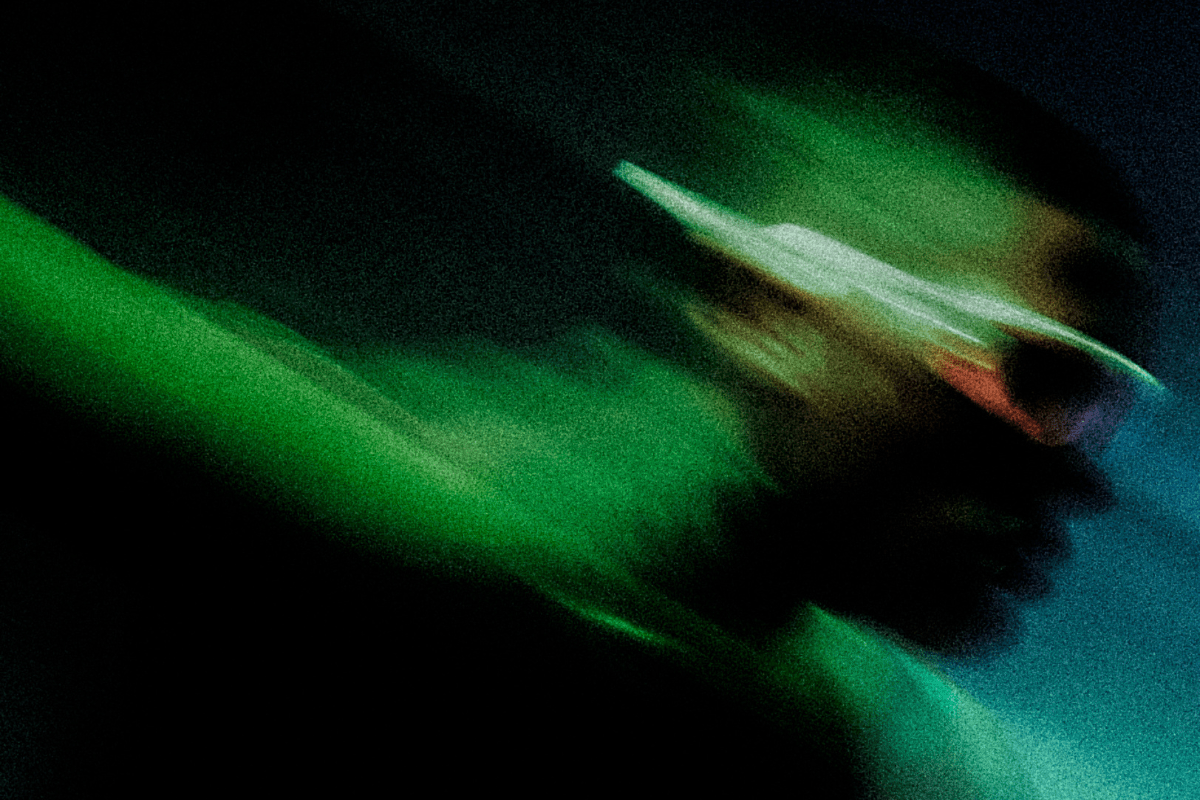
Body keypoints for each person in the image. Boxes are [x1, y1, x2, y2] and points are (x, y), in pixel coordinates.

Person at [0, 4, 1162, 797]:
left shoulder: (864, 716)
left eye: (1109, 410)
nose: (1079, 472)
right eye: (1041, 378)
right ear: (766, 309)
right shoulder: (407, 516)